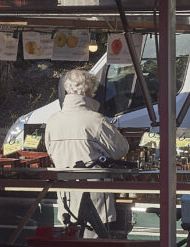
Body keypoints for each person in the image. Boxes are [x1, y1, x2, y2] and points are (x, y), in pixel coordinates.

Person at [44, 69, 130, 235]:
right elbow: (121, 149)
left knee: (71, 245)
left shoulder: (52, 121)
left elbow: (51, 155)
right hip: (95, 196)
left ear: (68, 90)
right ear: (89, 91)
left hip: (66, 195)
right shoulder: (95, 120)